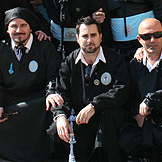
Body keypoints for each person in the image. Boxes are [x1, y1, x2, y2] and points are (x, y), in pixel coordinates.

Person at [0, 7, 61, 161]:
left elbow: (54, 75)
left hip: (37, 98)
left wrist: (51, 93)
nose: (19, 30)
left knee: (44, 108)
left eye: (23, 25)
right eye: (14, 26)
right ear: (7, 30)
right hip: (9, 98)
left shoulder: (45, 47)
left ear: (31, 27)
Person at [48, 16, 130, 162]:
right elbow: (61, 92)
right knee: (56, 130)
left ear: (101, 37)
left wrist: (95, 105)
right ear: (77, 38)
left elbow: (121, 90)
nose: (89, 40)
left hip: (105, 116)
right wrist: (60, 116)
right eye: (85, 36)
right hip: (80, 117)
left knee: (111, 118)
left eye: (93, 35)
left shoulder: (115, 59)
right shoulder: (70, 61)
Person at [121, 18, 162, 162]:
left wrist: (153, 101)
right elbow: (127, 94)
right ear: (139, 39)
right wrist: (137, 114)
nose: (152, 40)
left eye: (157, 35)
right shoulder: (134, 64)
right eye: (146, 36)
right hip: (141, 121)